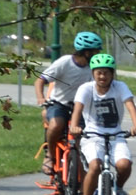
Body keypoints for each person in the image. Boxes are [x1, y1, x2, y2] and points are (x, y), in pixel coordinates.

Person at [70, 52, 136, 195]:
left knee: (124, 165)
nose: (103, 76)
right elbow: (77, 109)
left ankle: (117, 189)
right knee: (95, 166)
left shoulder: (120, 87)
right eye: (99, 72)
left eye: (107, 73)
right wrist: (74, 126)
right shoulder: (86, 89)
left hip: (115, 135)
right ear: (93, 73)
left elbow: (130, 105)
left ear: (112, 74)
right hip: (92, 137)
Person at [36, 31, 101, 172]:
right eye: (95, 51)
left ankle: (78, 171)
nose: (97, 54)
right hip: (60, 104)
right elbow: (40, 80)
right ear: (86, 52)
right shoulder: (65, 62)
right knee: (56, 125)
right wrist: (41, 97)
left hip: (81, 107)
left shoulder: (93, 67)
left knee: (83, 138)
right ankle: (50, 155)